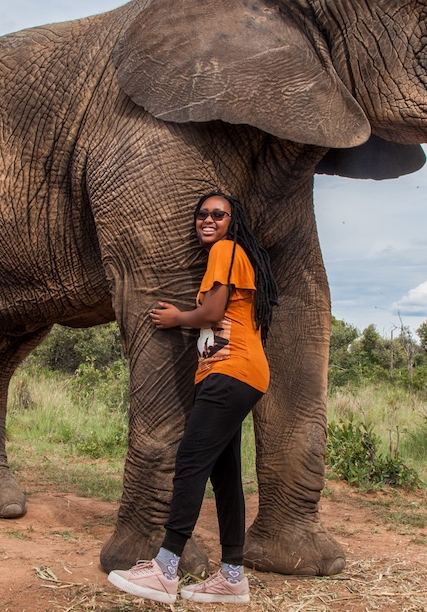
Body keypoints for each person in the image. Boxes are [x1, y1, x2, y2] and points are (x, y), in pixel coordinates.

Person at [108, 192, 278, 605]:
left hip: (230, 370)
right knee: (225, 475)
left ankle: (165, 570)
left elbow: (213, 314)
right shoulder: (234, 255)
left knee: (189, 462)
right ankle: (232, 578)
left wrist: (177, 318)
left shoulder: (225, 250)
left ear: (232, 222)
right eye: (202, 214)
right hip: (239, 372)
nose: (208, 220)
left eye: (218, 214)